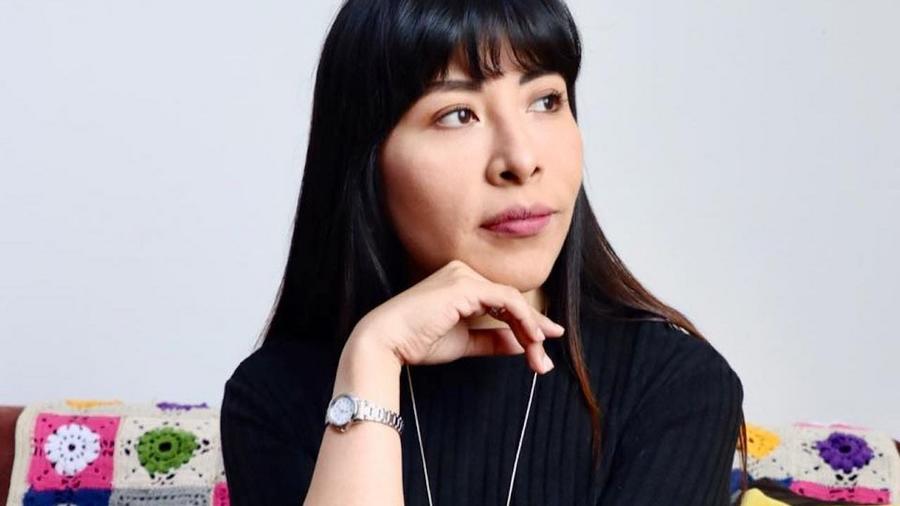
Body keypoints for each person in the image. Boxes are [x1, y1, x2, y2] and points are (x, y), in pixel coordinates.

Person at [219, 0, 750, 504]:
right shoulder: (275, 397)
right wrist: (373, 360)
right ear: (366, 158)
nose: (521, 159)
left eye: (546, 101)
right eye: (458, 114)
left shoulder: (675, 386)